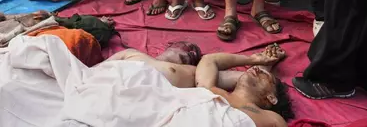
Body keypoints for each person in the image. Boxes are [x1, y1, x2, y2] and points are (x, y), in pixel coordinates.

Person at [108, 43, 293, 124]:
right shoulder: (208, 90)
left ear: (271, 98)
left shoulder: (270, 118)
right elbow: (210, 60)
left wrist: (266, 67)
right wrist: (252, 59)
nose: (256, 71)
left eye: (263, 74)